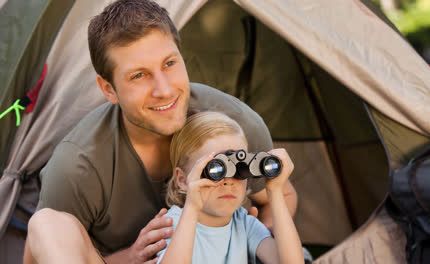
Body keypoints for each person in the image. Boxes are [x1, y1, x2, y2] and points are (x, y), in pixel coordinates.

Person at [26, 0, 297, 263]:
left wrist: (246, 240)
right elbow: (44, 250)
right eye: (138, 75)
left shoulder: (233, 126)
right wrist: (130, 258)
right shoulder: (78, 165)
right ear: (109, 89)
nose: (164, 90)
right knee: (46, 223)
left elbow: (281, 195)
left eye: (169, 63)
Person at [158, 111, 303, 263]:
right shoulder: (172, 224)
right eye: (216, 170)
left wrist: (275, 191)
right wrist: (192, 208)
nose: (228, 181)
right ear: (182, 180)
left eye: (239, 170)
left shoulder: (244, 224)